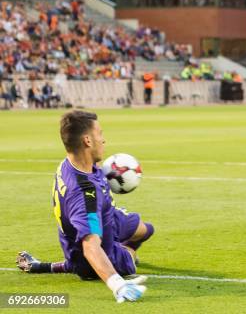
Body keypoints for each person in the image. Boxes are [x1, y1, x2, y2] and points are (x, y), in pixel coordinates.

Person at [16, 111, 154, 303]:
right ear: (88, 141)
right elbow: (90, 246)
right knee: (127, 260)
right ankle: (113, 257)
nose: (103, 140)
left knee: (147, 230)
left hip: (107, 218)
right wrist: (117, 283)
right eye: (100, 134)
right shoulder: (84, 194)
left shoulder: (72, 163)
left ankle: (92, 254)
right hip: (105, 252)